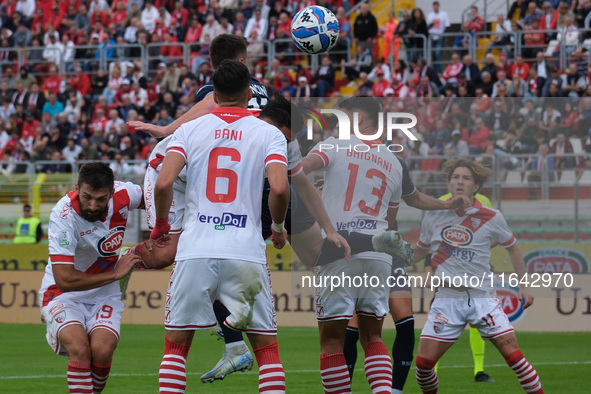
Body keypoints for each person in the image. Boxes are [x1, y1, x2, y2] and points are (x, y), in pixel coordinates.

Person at [152, 60, 289, 394]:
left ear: (214, 94)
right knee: (267, 352)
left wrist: (160, 225)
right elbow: (281, 188)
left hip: (196, 248)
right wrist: (280, 228)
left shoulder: (189, 130)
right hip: (244, 251)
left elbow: (163, 183)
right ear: (248, 93)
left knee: (176, 350)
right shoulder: (268, 132)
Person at [341, 156, 471, 394]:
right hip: (355, 254)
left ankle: (395, 390)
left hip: (389, 253)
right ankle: (343, 389)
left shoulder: (392, 162)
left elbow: (414, 198)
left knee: (405, 322)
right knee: (352, 330)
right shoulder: (344, 158)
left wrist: (446, 205)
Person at [414, 158, 544, 394]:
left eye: (466, 178)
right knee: (423, 365)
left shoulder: (492, 216)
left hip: (482, 297)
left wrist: (524, 286)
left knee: (515, 359)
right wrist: (394, 258)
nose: (460, 182)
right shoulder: (433, 214)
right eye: (455, 177)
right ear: (449, 183)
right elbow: (419, 252)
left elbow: (512, 247)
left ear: (475, 186)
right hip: (447, 299)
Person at [39, 162, 143, 394]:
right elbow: (65, 279)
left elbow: (157, 198)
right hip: (63, 294)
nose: (93, 205)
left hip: (104, 294)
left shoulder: (125, 194)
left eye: (100, 199)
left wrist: (161, 230)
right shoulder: (63, 215)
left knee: (102, 351)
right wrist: (116, 274)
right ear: (77, 187)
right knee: (80, 348)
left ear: (111, 193)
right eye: (87, 197)